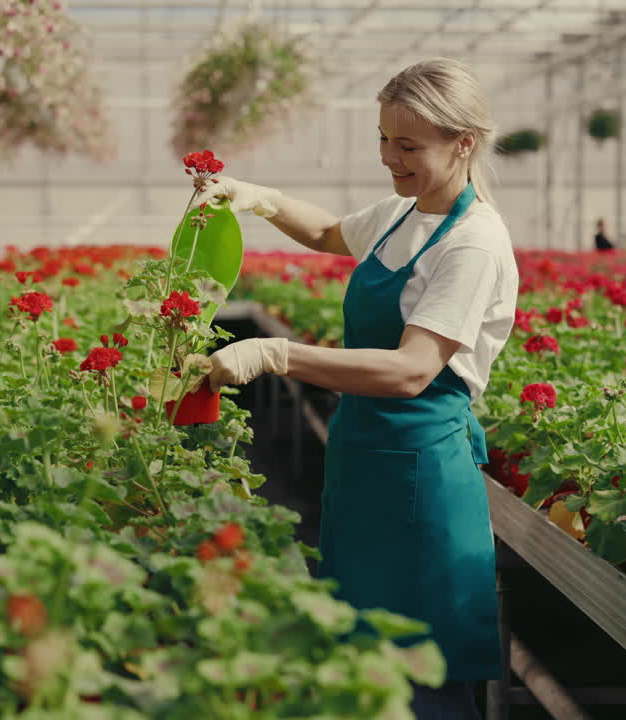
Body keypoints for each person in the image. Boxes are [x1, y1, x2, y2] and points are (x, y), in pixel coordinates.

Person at [196, 58, 518, 719]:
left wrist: (277, 354)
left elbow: (411, 370)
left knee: (422, 676)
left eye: (408, 146)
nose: (388, 158)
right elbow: (325, 232)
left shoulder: (473, 242)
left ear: (463, 143)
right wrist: (255, 197)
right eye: (383, 138)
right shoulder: (402, 215)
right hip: (364, 460)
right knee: (363, 664)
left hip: (421, 475)